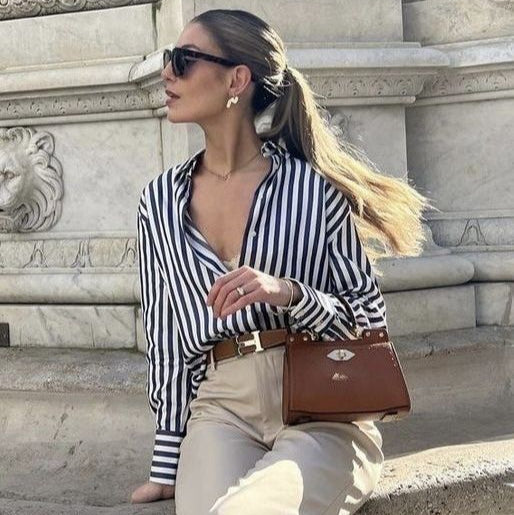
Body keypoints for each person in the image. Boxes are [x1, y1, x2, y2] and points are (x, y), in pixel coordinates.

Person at [130, 8, 431, 514]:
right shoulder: (159, 201)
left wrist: (290, 294)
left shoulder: (314, 190)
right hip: (221, 409)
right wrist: (166, 466)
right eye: (168, 58)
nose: (166, 73)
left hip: (323, 409)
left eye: (183, 59)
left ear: (237, 79)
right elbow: (165, 339)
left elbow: (370, 320)